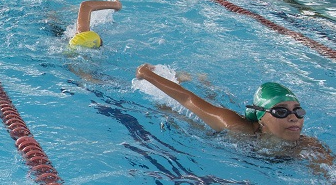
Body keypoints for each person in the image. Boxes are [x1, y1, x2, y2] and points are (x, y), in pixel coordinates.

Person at [135, 64, 334, 165]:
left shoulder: (308, 147)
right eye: (280, 111)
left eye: (298, 111)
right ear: (261, 118)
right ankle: (200, 80)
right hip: (217, 136)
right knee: (172, 111)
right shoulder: (235, 125)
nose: (294, 118)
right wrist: (147, 74)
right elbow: (188, 100)